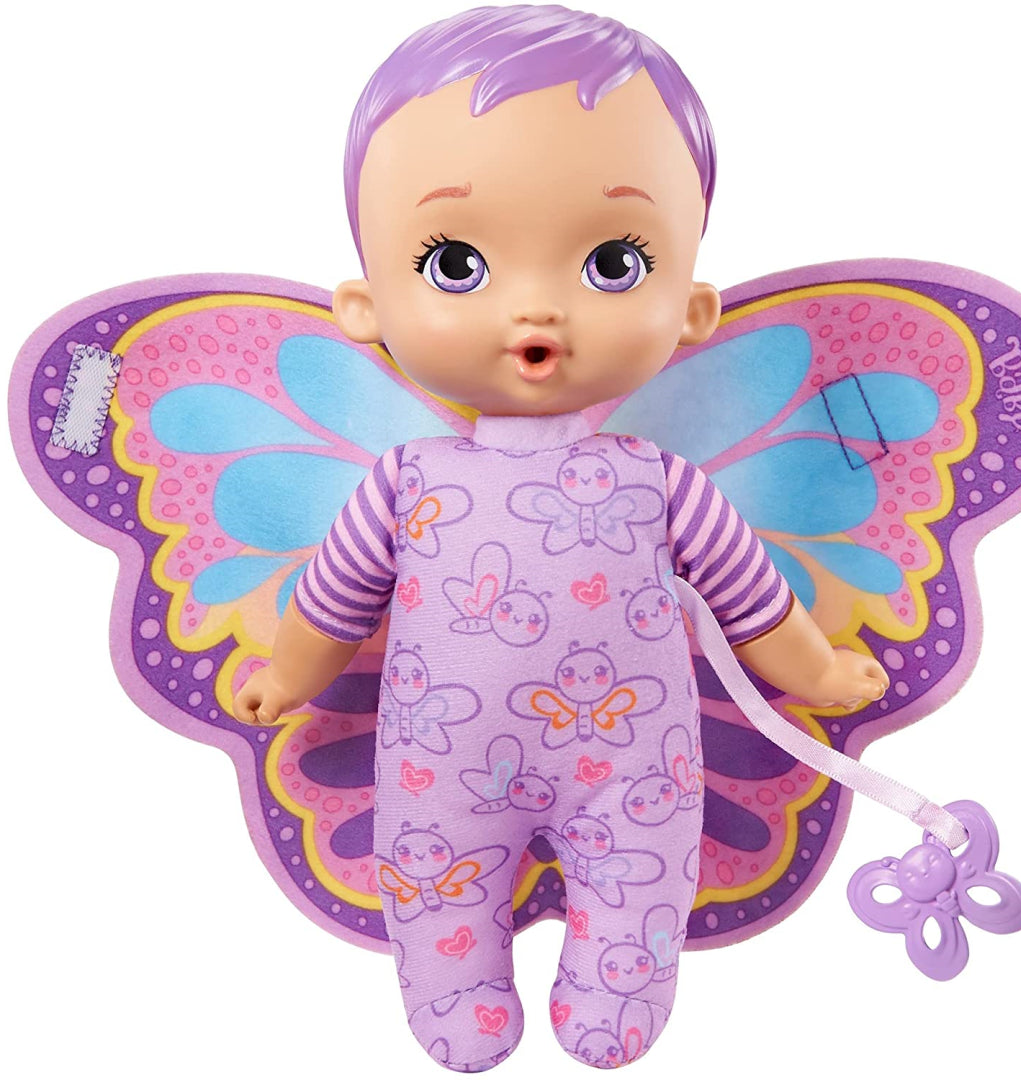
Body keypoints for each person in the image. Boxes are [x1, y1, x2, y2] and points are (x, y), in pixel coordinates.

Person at [234, 5, 887, 1071]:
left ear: (692, 310)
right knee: (432, 880)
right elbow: (330, 601)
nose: (535, 310)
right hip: (441, 768)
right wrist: (286, 673)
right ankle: (456, 991)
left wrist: (816, 673)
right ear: (363, 307)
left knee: (643, 878)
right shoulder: (405, 481)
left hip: (635, 765)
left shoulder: (660, 484)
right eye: (454, 262)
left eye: (614, 262)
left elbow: (751, 595)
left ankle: (618, 983)